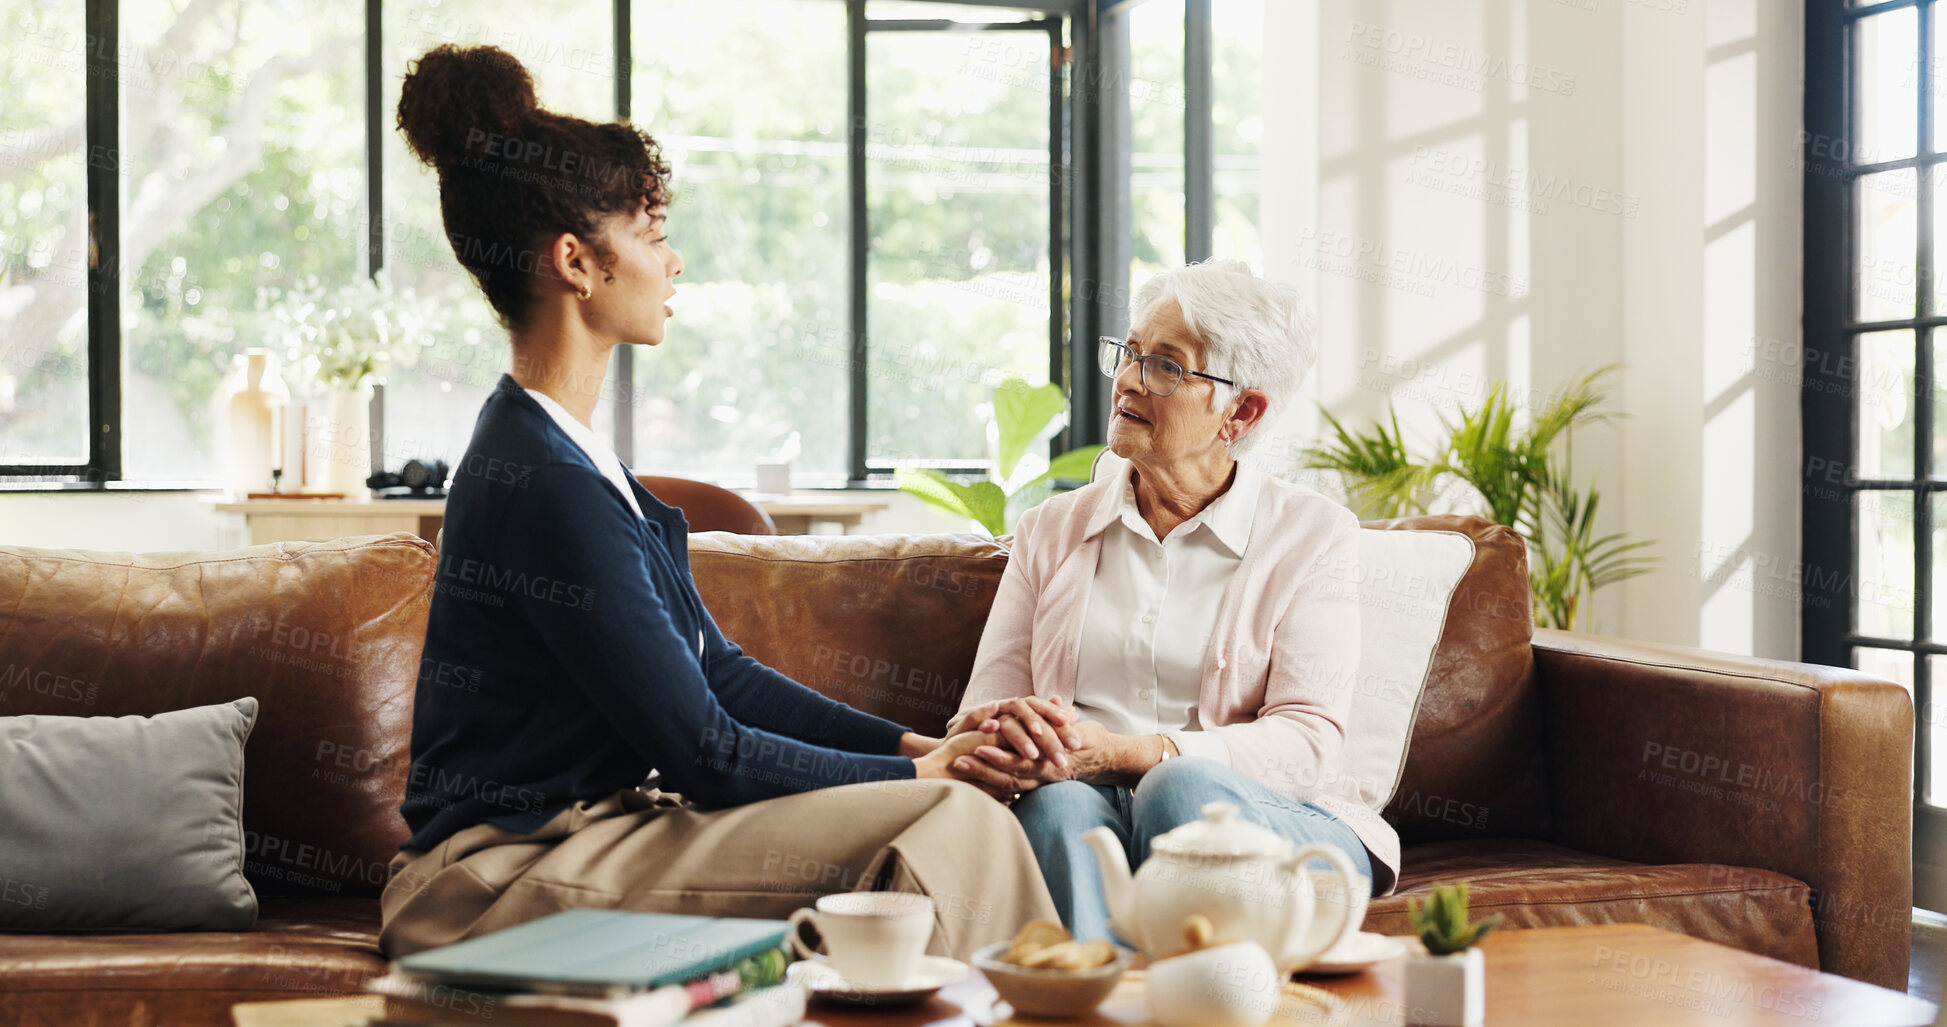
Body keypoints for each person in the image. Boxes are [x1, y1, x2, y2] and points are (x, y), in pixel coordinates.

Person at [376, 44, 1057, 960]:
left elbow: (719, 673)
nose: (674, 260)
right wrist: (932, 770)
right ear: (576, 262)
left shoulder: (571, 456)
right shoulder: (541, 480)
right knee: (951, 818)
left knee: (944, 806)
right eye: (650, 233)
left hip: (590, 840)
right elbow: (707, 750)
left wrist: (916, 742)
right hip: (490, 881)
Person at [943, 259, 1397, 942]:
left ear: (1240, 411)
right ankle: (1101, 1006)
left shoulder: (1312, 535)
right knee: (1056, 806)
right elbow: (981, 712)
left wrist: (1132, 751)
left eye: (1165, 366)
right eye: (1129, 354)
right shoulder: (1049, 530)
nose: (1127, 380)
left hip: (1273, 820)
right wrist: (1016, 741)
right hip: (1080, 798)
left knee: (1177, 787)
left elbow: (1304, 746)